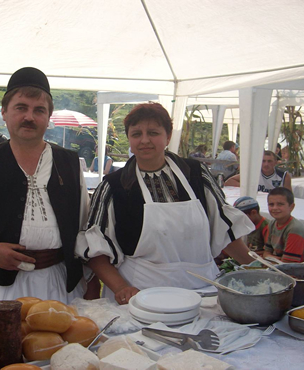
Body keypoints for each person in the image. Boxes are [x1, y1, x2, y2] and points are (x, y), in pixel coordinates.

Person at [76, 103, 254, 305]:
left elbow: (225, 232)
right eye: (136, 134)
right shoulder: (114, 186)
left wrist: (260, 270)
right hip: (142, 297)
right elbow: (95, 251)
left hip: (203, 294)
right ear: (129, 139)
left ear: (168, 137)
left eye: (153, 133)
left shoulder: (196, 173)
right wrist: (121, 288)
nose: (144, 140)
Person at [0, 67, 98, 304]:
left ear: (48, 118)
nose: (29, 117)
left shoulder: (69, 163)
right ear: (4, 114)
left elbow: (83, 225)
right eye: (21, 108)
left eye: (39, 110)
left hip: (59, 285)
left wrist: (89, 280)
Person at [264, 187, 304, 263]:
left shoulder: (295, 229)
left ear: (291, 207)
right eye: (271, 204)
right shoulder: (272, 223)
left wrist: (271, 258)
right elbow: (266, 253)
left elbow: (288, 263)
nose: (275, 208)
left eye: (280, 204)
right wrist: (272, 258)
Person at [225, 151, 292, 192]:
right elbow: (228, 182)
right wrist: (249, 188)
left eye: (269, 161)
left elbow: (289, 195)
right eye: (263, 161)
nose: (266, 164)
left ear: (275, 163)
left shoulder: (284, 176)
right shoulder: (253, 173)